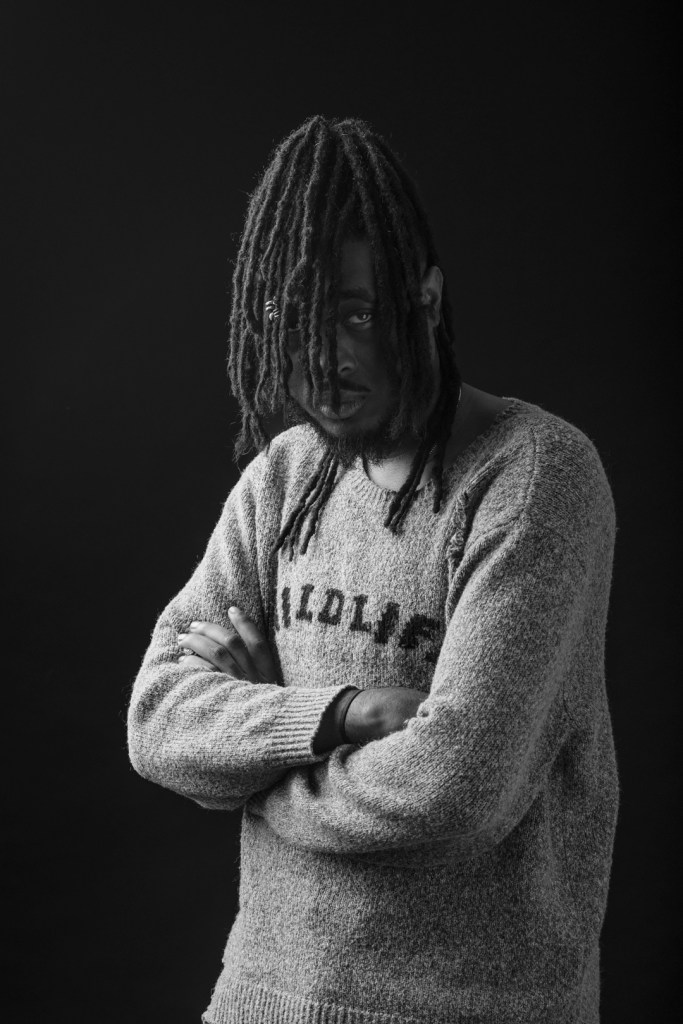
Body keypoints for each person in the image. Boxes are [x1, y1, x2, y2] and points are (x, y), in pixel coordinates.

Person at [127, 115, 619, 1024]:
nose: (321, 358)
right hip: (259, 997)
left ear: (424, 298)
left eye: (354, 314)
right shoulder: (284, 476)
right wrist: (336, 717)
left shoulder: (533, 478)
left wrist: (255, 774)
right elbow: (157, 716)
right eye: (291, 319)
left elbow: (455, 788)